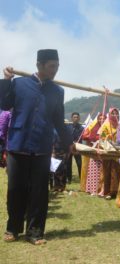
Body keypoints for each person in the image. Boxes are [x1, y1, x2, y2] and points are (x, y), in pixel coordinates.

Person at [1, 49, 72, 245]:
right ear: (39, 65)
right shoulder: (19, 84)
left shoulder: (58, 91)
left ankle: (35, 232)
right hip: (18, 145)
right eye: (52, 66)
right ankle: (13, 229)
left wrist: (69, 143)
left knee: (39, 192)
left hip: (42, 148)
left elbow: (58, 120)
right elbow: (4, 105)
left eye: (57, 66)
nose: (55, 70)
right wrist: (6, 80)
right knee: (16, 190)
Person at [66, 112, 83, 184]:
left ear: (79, 118)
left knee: (79, 164)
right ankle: (69, 179)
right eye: (74, 117)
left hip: (77, 147)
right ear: (72, 118)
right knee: (68, 164)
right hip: (69, 147)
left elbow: (81, 137)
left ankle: (81, 178)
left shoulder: (81, 128)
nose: (75, 118)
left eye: (77, 117)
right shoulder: (68, 127)